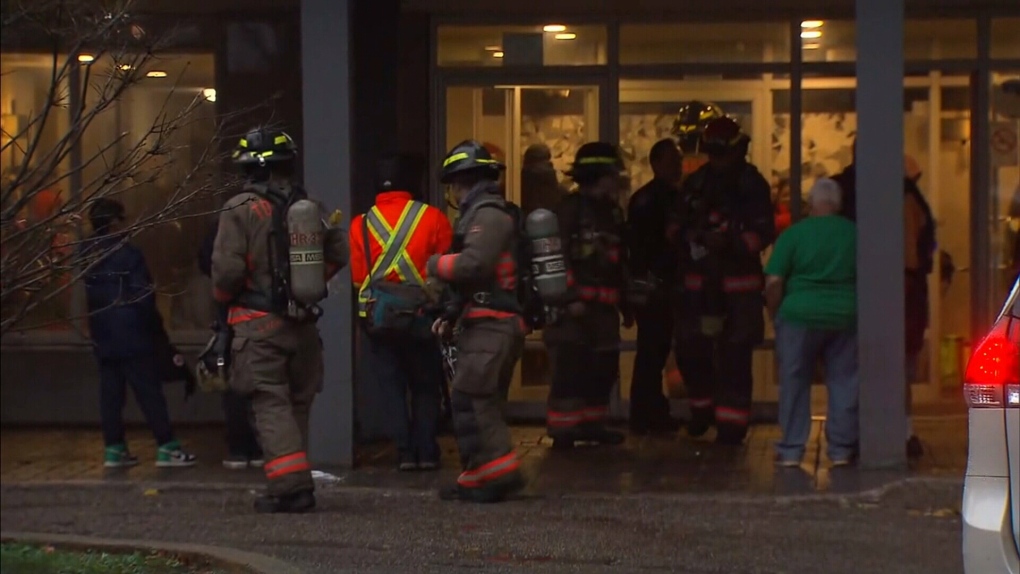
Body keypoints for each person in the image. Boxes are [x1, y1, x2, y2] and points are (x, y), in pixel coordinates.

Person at [211, 127, 349, 513]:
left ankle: (289, 488)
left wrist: (224, 307)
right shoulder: (310, 206)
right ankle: (296, 480)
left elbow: (225, 273)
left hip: (259, 327)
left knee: (271, 404)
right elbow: (339, 250)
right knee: (297, 405)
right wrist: (309, 286)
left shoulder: (240, 208)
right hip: (303, 326)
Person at [426, 139, 526, 503]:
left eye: (454, 182)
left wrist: (435, 264)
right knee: (471, 399)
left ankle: (500, 472)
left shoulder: (487, 215)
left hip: (493, 324)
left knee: (474, 397)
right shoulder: (480, 214)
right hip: (482, 321)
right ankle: (478, 474)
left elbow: (474, 265)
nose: (453, 191)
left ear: (463, 181)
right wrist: (450, 314)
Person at [668, 116, 775, 445]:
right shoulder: (695, 183)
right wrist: (694, 237)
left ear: (737, 150)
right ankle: (702, 413)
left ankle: (731, 426)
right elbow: (674, 228)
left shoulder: (752, 184)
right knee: (691, 352)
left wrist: (730, 243)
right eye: (711, 153)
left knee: (734, 358)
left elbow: (763, 231)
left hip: (737, 290)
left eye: (721, 153)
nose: (716, 160)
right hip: (698, 289)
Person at [350, 153, 452, 472]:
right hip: (423, 315)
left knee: (391, 388)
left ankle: (405, 453)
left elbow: (357, 277)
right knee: (425, 385)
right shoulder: (434, 217)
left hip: (379, 319)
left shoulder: (360, 224)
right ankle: (427, 450)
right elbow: (447, 267)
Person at [82, 198, 197, 469]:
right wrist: (157, 329)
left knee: (111, 394)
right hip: (133, 334)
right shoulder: (129, 255)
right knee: (148, 392)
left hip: (103, 334)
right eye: (123, 219)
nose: (127, 224)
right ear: (113, 222)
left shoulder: (86, 254)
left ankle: (114, 449)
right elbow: (142, 297)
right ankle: (167, 446)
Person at [543, 142, 633, 448]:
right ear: (599, 175)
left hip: (604, 310)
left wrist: (627, 301)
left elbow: (618, 260)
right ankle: (564, 432)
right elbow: (557, 257)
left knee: (603, 368)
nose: (616, 179)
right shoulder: (568, 210)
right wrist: (570, 298)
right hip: (573, 313)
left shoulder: (611, 212)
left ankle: (593, 425)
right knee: (570, 370)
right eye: (611, 173)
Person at [764, 178, 859, 467]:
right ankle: (841, 449)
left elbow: (774, 281)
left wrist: (776, 313)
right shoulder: (854, 233)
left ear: (811, 203)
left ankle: (792, 449)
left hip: (798, 316)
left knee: (794, 381)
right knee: (844, 382)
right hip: (845, 316)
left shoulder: (794, 235)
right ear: (838, 204)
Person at [625, 138, 683, 435]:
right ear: (657, 163)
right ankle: (648, 412)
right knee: (653, 350)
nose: (679, 166)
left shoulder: (649, 198)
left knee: (653, 350)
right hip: (656, 284)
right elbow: (649, 246)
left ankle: (648, 410)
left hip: (655, 283)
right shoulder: (658, 200)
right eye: (673, 160)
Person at [198, 221, 264, 470]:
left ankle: (240, 448)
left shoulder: (223, 228)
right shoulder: (262, 225)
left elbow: (207, 263)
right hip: (260, 313)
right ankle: (256, 446)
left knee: (234, 379)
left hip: (231, 316)